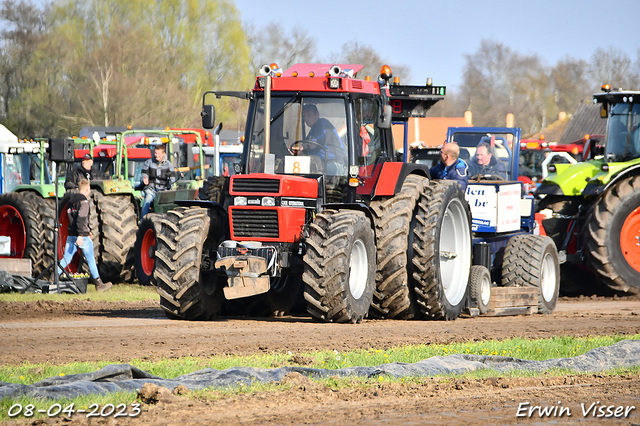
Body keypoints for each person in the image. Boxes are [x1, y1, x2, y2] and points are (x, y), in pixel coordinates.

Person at [58, 179, 112, 292]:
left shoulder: (70, 202)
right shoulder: (84, 202)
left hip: (71, 235)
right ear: (87, 189)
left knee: (66, 258)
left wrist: (89, 230)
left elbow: (73, 219)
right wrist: (82, 235)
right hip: (81, 236)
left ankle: (54, 277)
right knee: (90, 259)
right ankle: (99, 284)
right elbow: (81, 218)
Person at [293, 104, 347, 175]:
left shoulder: (323, 124)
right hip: (319, 163)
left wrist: (303, 148)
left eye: (309, 115)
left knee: (306, 169)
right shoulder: (313, 130)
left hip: (334, 163)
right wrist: (298, 152)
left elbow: (317, 142)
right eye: (304, 116)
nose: (306, 118)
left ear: (317, 114)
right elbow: (307, 145)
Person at [140, 144, 176, 218]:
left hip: (163, 190)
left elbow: (172, 179)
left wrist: (171, 187)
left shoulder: (169, 165)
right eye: (155, 153)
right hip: (151, 189)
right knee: (148, 198)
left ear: (163, 154)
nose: (156, 155)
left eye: (158, 153)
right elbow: (144, 174)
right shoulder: (149, 163)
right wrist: (144, 179)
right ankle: (142, 219)